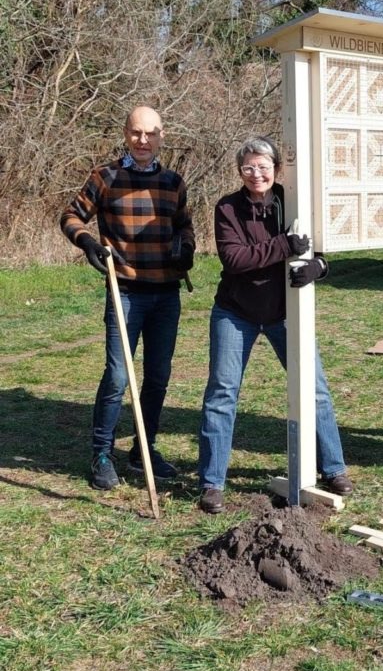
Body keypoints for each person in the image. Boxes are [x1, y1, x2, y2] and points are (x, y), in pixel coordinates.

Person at [196, 136, 353, 514]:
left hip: (287, 313)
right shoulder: (227, 208)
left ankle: (333, 468)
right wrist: (284, 247)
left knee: (315, 389)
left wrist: (320, 266)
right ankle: (212, 482)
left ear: (277, 169)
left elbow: (323, 244)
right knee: (222, 394)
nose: (257, 174)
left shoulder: (294, 201)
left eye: (264, 167)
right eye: (249, 167)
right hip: (235, 313)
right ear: (240, 171)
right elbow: (235, 259)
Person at [61, 105, 194, 490]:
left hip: (166, 294)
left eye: (150, 133)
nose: (143, 141)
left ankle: (143, 449)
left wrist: (186, 248)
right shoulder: (105, 178)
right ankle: (101, 453)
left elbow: (185, 227)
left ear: (161, 136)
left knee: (158, 376)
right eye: (136, 133)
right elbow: (70, 216)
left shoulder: (173, 182)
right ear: (125, 134)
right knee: (119, 376)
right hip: (126, 293)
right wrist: (87, 243)